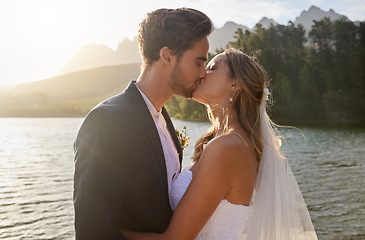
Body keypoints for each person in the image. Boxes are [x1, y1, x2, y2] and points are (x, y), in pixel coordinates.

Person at [122, 49, 318, 239]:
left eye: (212, 68)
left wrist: (105, 228)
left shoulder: (227, 147)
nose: (201, 73)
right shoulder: (231, 141)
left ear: (235, 85)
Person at [73, 8, 212, 240]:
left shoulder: (164, 120)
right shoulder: (106, 122)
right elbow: (93, 231)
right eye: (198, 63)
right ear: (167, 56)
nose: (203, 73)